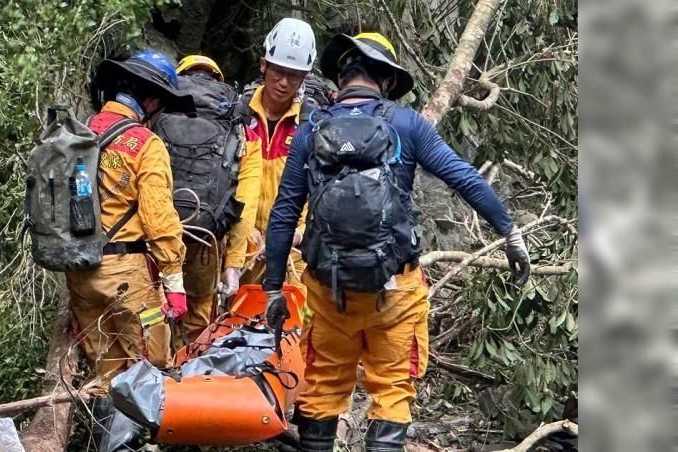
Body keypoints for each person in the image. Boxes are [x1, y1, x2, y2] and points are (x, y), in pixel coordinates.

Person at [262, 32, 532, 451]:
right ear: (386, 81)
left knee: (323, 388)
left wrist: (274, 287)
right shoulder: (405, 123)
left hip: (328, 289)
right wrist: (509, 233)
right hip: (395, 290)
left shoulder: (311, 127)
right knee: (390, 391)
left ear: (342, 77)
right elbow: (463, 177)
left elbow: (282, 215)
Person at [78, 50, 195, 451]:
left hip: (80, 275)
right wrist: (175, 281)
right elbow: (160, 220)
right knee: (148, 365)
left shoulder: (79, 133)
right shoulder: (145, 144)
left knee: (106, 373)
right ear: (150, 100)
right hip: (127, 278)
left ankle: (108, 445)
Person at [164, 54, 262, 344]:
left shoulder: (156, 113)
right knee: (199, 312)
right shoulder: (239, 128)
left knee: (155, 311)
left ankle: (155, 372)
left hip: (160, 236)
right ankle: (188, 371)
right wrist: (232, 265)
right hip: (207, 236)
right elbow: (246, 202)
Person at [239, 17, 316, 303]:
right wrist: (243, 229)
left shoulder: (312, 125)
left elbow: (319, 188)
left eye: (293, 76)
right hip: (243, 248)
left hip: (292, 256)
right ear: (263, 65)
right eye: (278, 72)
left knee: (294, 331)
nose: (284, 83)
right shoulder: (238, 116)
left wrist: (299, 233)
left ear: (304, 77)